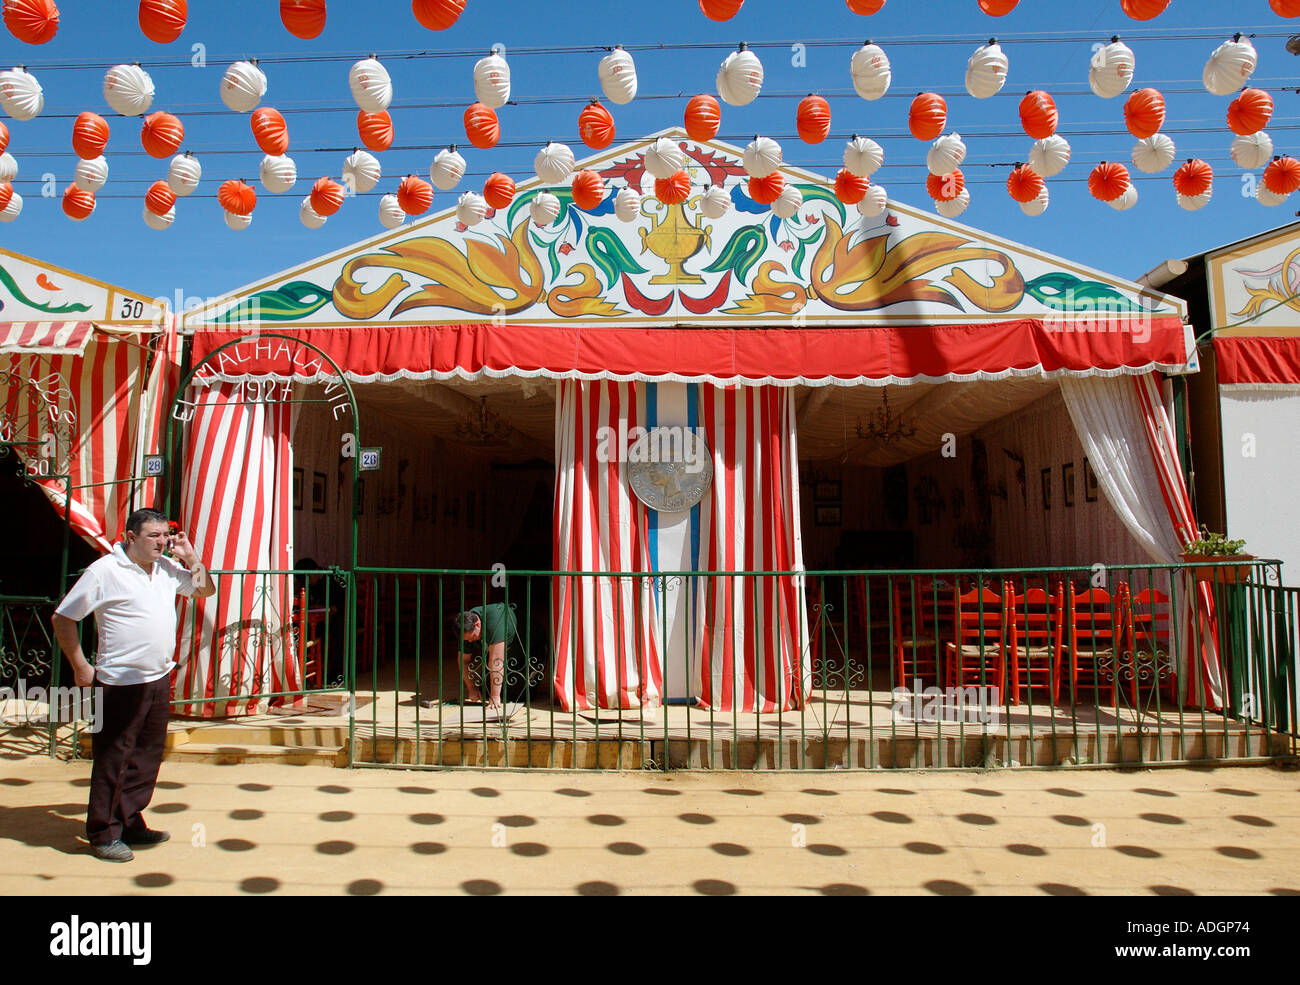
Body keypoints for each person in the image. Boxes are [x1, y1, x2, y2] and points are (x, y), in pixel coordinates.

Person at [51, 508, 216, 862]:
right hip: (118, 681)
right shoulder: (104, 571)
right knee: (114, 756)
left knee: (146, 756)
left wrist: (191, 557)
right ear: (130, 537)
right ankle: (103, 831)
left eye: (165, 535)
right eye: (154, 536)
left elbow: (205, 590)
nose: (163, 542)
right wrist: (81, 666)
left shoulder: (167, 569)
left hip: (156, 676)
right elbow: (63, 618)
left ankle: (129, 819)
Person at [456, 603, 518, 712]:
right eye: (466, 640)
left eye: (473, 637)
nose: (470, 642)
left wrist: (495, 697)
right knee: (485, 691)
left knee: (517, 694)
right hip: (501, 651)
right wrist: (472, 688)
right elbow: (463, 660)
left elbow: (496, 662)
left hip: (524, 647)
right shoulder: (467, 626)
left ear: (477, 624)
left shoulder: (494, 622)